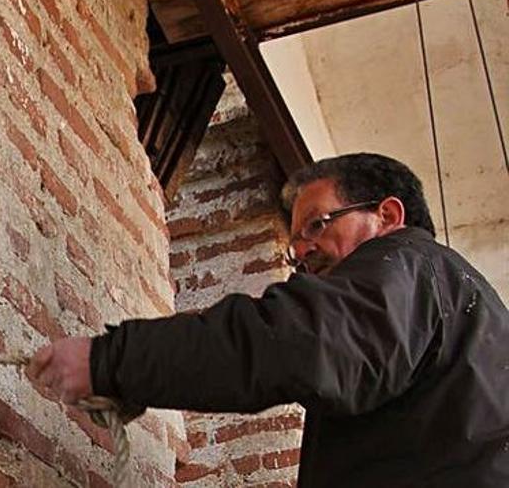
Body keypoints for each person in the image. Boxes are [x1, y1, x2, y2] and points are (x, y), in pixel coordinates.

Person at [28, 153, 509, 487]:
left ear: (386, 214)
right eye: (295, 242)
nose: (301, 251)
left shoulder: (405, 264)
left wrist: (110, 361)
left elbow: (298, 342)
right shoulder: (466, 311)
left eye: (318, 225)